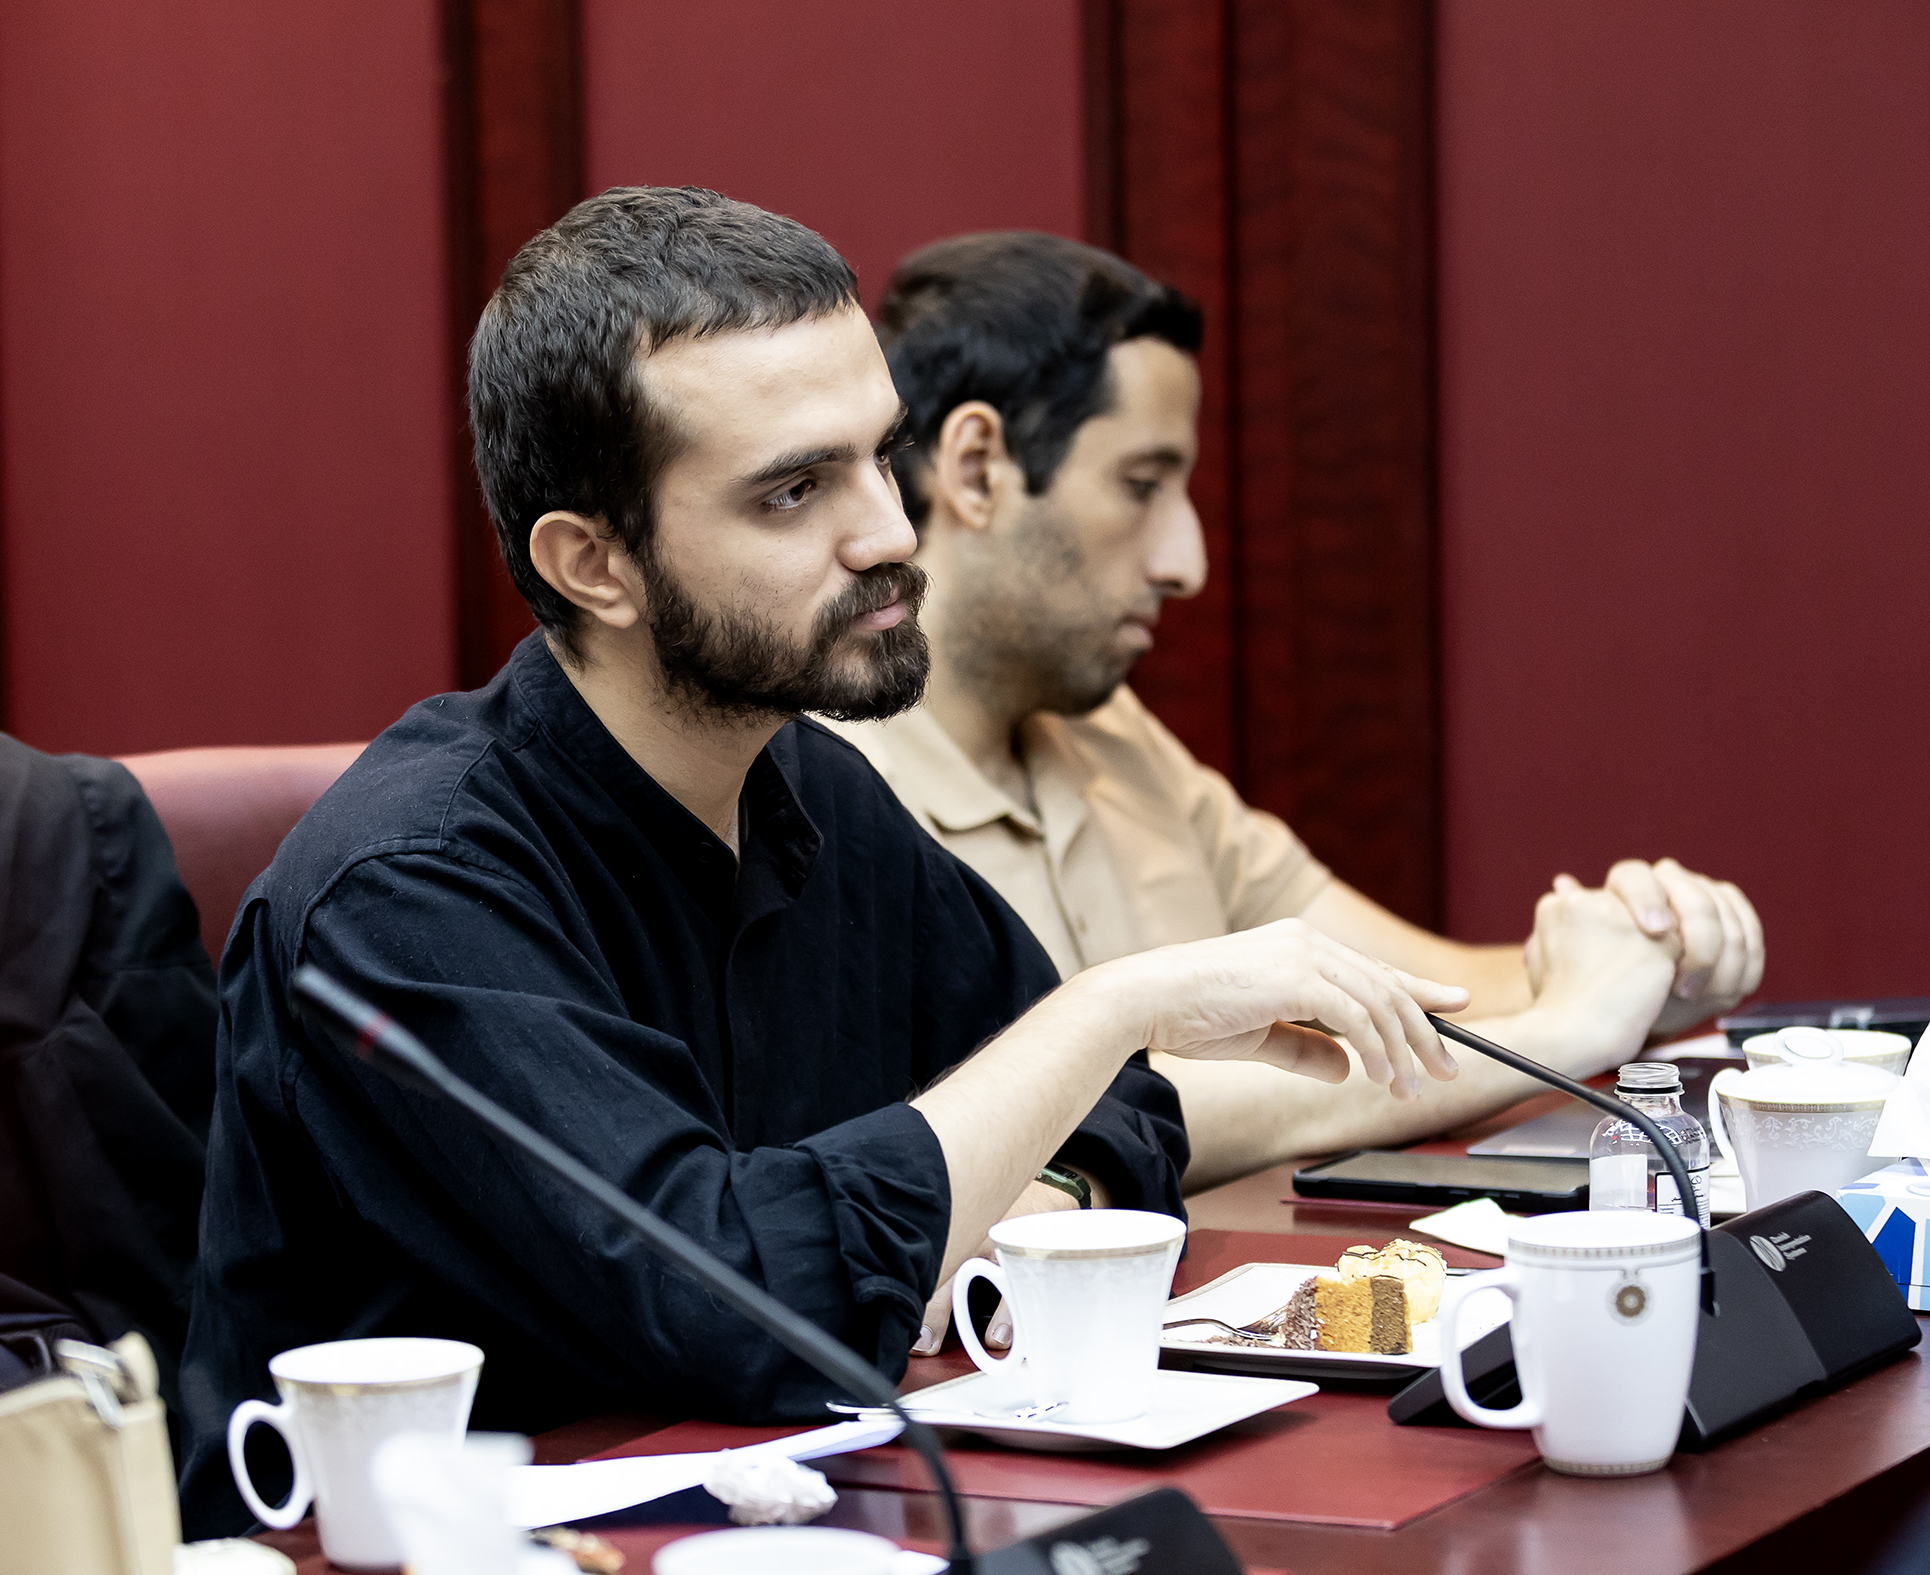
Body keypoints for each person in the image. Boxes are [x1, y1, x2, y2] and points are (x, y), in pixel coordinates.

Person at [177, 190, 1469, 1531]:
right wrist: (1105, 1006)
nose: (891, 532)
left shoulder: (802, 785)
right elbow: (745, 1301)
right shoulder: (410, 891)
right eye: (794, 489)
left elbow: (1114, 1114)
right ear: (593, 564)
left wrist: (1017, 1184)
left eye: (878, 457)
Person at [827, 231, 1763, 1224]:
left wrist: (1640, 960)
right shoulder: (813, 788)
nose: (1184, 561)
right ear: (977, 469)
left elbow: (1408, 990)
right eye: (1141, 485)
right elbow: (1096, 1119)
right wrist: (1569, 1029)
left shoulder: (1110, 733)